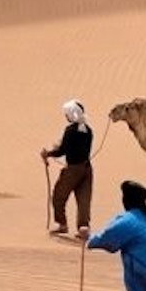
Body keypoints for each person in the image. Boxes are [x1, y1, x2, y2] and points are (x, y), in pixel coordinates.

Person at [41, 99, 93, 238]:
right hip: (86, 169)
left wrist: (48, 153)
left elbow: (62, 150)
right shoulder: (88, 130)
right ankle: (83, 227)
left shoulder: (70, 131)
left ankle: (62, 224)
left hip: (73, 170)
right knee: (83, 200)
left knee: (59, 196)